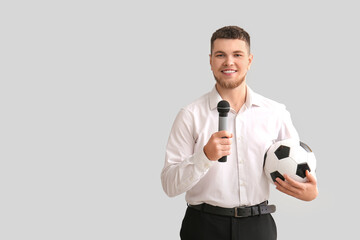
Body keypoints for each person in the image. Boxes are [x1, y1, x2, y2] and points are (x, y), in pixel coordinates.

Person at [161, 26, 318, 240]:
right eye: (220, 55)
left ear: (250, 60)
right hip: (203, 226)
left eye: (237, 55)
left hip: (258, 227)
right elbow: (170, 185)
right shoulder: (190, 115)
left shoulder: (275, 113)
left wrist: (310, 192)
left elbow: (298, 166)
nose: (229, 62)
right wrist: (204, 157)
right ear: (210, 61)